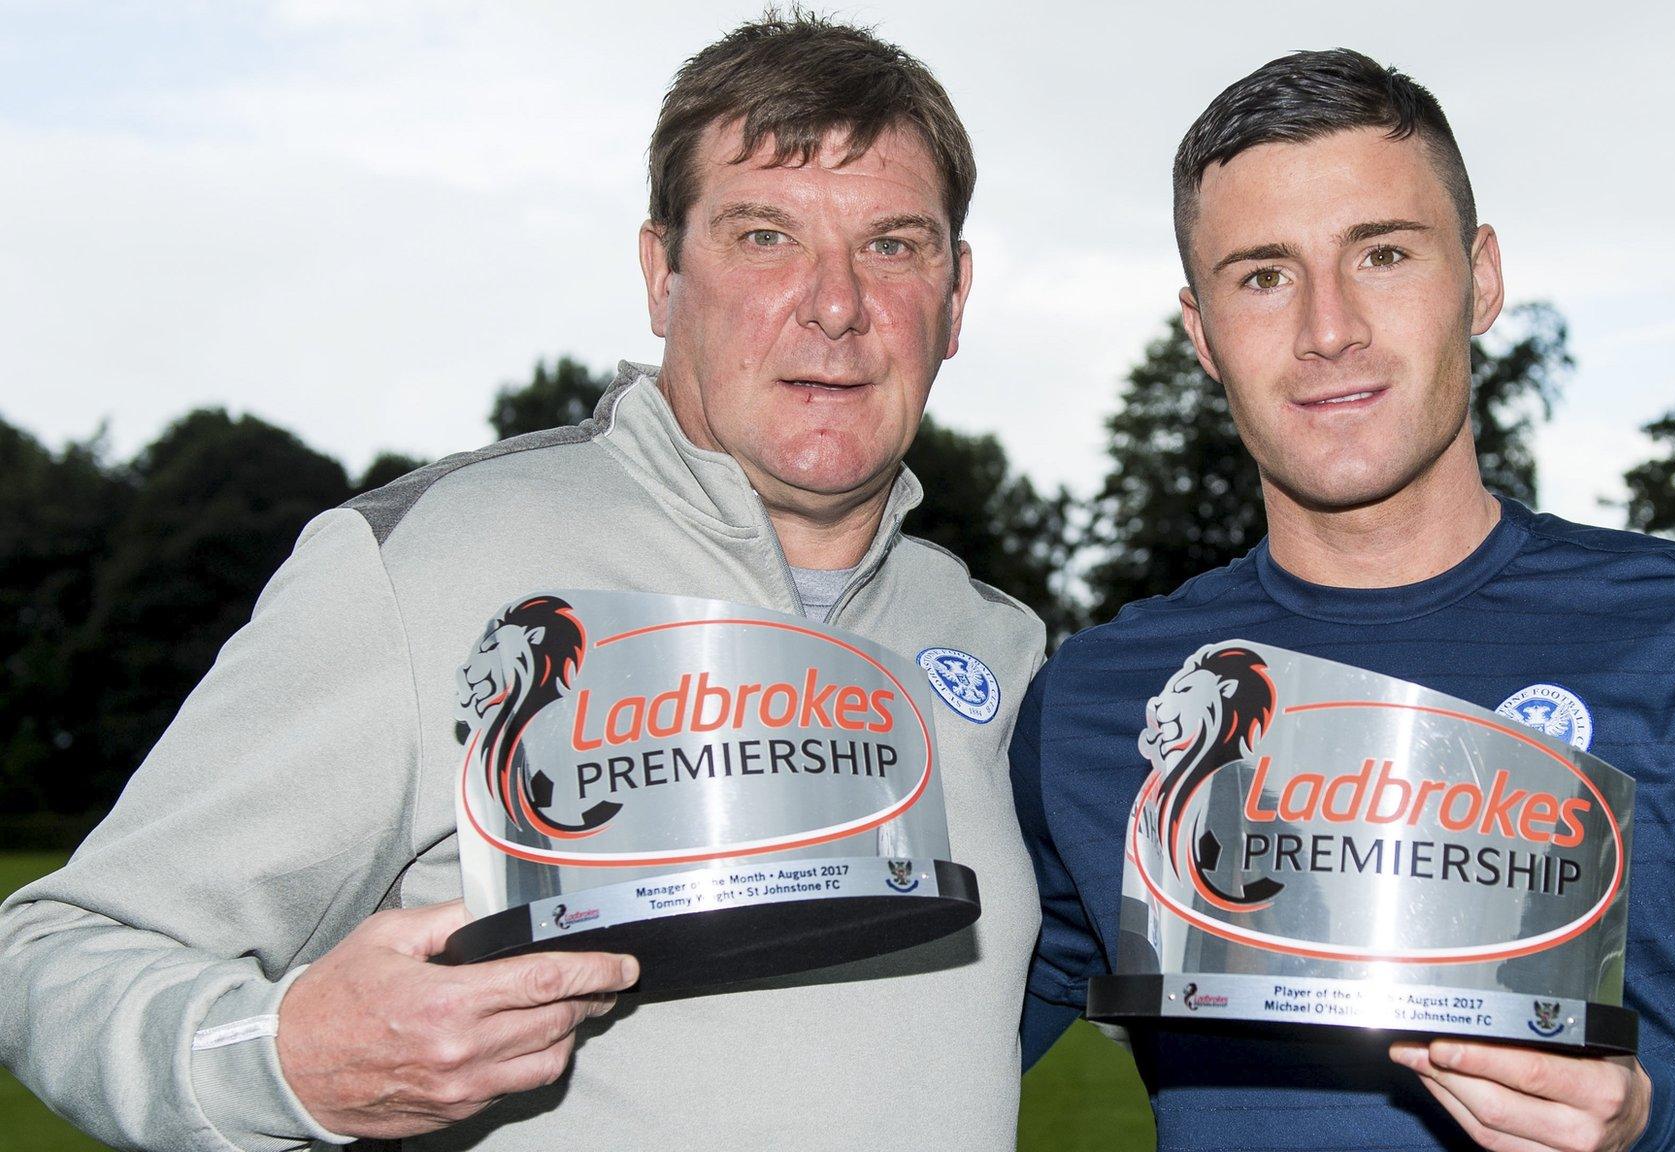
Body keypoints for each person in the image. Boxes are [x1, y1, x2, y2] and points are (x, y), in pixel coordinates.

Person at [0, 13, 1046, 1151]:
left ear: (954, 296)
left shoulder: (995, 643)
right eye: (763, 236)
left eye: (894, 245)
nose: (835, 304)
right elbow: (52, 958)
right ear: (661, 274)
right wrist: (282, 1058)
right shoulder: (425, 562)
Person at [1011, 49, 1675, 1152]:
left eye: (1381, 253)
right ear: (1199, 333)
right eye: (1261, 275)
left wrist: (1656, 1121)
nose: (1326, 326)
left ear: (1479, 278)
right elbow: (910, 1043)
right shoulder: (1096, 702)